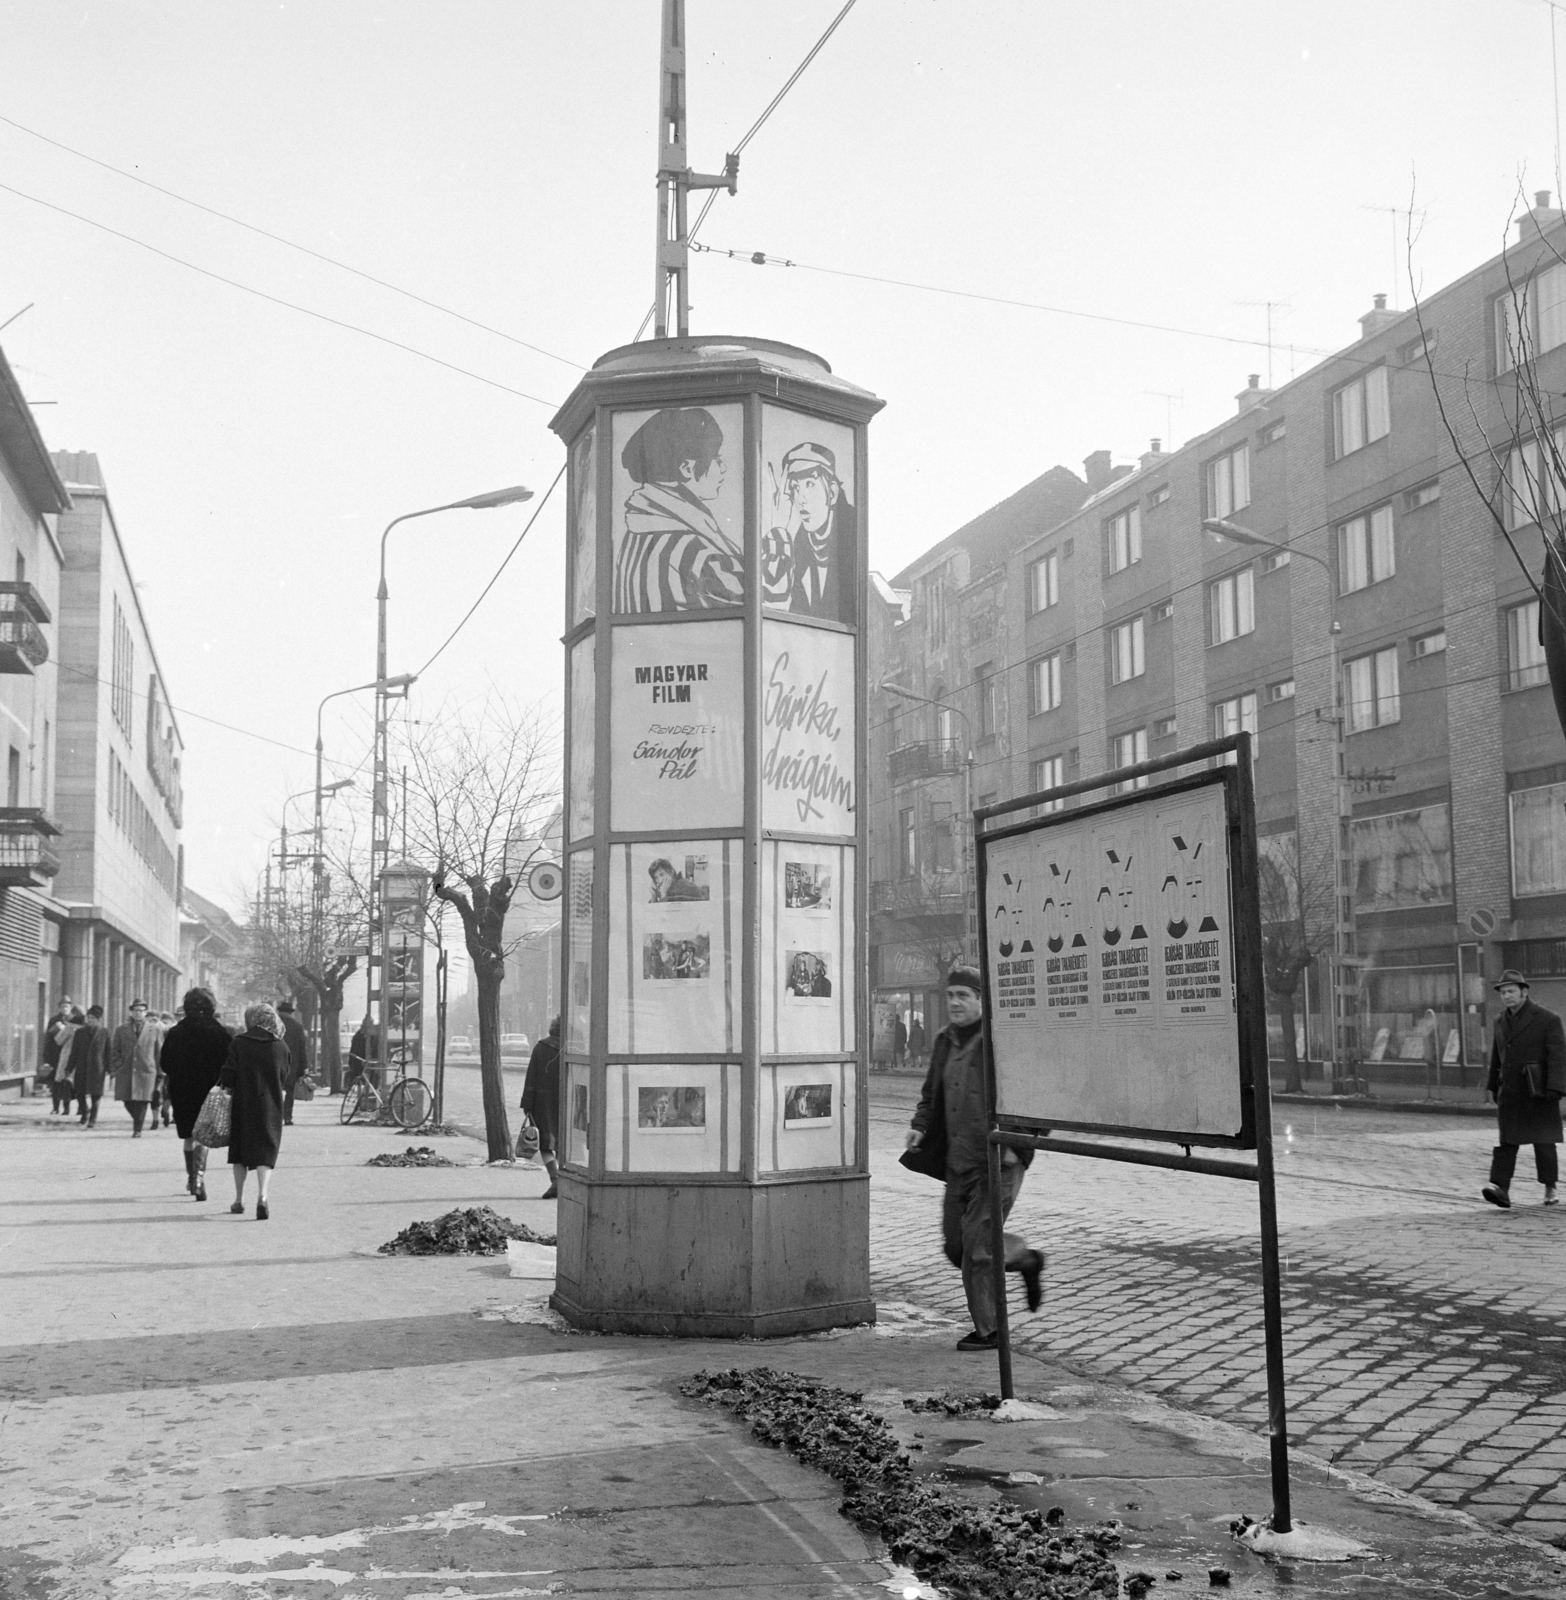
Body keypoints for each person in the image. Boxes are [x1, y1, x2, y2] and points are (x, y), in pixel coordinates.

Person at [905, 965, 1044, 1351]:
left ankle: (990, 1331)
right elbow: (931, 1095)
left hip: (997, 1163)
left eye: (963, 996)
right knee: (956, 1246)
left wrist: (1018, 1145)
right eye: (950, 996)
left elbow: (1037, 1093)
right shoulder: (943, 1041)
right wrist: (920, 1125)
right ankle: (1026, 1260)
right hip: (958, 1163)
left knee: (979, 1252)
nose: (955, 1003)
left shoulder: (1000, 1042)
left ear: (983, 1000)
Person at [613, 407, 744, 613]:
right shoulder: (692, 549)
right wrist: (780, 531)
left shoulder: (636, 538)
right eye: (715, 458)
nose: (723, 467)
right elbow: (757, 599)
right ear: (687, 469)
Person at [1483, 969, 1565, 1209]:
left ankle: (1550, 1187)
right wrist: (1492, 1085)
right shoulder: (1500, 1021)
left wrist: (1556, 1087)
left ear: (1524, 992)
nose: (1507, 996)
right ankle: (1500, 1188)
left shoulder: (1547, 1019)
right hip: (1510, 1091)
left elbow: (1558, 1057)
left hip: (1538, 1090)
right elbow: (1498, 1057)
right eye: (1503, 992)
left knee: (1544, 1142)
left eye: (1511, 991)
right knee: (1507, 1142)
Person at [763, 440, 856, 620]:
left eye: (810, 484)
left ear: (832, 492)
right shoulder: (798, 548)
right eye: (795, 488)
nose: (801, 499)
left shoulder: (852, 541)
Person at [161, 988, 231, 1201]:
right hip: (209, 1091)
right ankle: (199, 1178)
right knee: (203, 1133)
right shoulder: (220, 1032)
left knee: (189, 1134)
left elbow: (165, 1063)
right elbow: (228, 1063)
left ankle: (192, 1178)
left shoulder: (175, 1032)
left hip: (182, 1090)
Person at [220, 1002, 289, 1219]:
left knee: (240, 1152)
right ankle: (263, 1196)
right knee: (265, 1153)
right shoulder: (281, 1046)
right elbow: (284, 1076)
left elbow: (228, 1075)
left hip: (243, 1103)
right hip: (271, 1105)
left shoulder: (239, 1043)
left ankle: (239, 1200)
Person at [521, 1015, 561, 1200]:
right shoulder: (574, 1049)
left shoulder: (540, 1047)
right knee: (566, 1145)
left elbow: (531, 1078)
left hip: (543, 1103)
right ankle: (565, 1180)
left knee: (545, 1145)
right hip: (566, 1102)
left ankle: (555, 1179)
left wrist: (527, 1105)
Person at [111, 999, 163, 1136]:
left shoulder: (154, 1030)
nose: (138, 1013)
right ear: (131, 1012)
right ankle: (138, 1121)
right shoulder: (121, 1030)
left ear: (145, 1012)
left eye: (141, 1010)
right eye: (135, 1010)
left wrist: (160, 1071)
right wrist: (118, 1065)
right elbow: (115, 1050)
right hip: (126, 1070)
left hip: (147, 1070)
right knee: (127, 1100)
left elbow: (159, 1051)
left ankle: (137, 1129)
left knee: (143, 1100)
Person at [68, 1006, 108, 1127]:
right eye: (88, 1017)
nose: (90, 1020)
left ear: (99, 1019)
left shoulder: (104, 1032)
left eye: (93, 1018)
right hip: (82, 1067)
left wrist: (110, 1069)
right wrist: (69, 1068)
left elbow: (108, 1052)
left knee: (96, 1095)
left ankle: (93, 1119)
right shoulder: (79, 1033)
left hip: (97, 1068)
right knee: (79, 1093)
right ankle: (85, 1112)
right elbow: (74, 1052)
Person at [277, 998, 310, 1126]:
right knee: (290, 1091)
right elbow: (302, 1048)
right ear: (290, 1013)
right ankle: (288, 1117)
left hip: (274, 1063)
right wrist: (304, 1067)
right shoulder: (297, 1027)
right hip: (292, 1064)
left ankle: (275, 1116)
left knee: (275, 1090)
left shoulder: (272, 1026)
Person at [43, 1006, 81, 1116]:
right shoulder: (84, 1028)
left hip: (66, 1058)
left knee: (61, 1083)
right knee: (76, 1084)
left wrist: (60, 1028)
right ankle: (80, 1108)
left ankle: (62, 1109)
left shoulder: (70, 1027)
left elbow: (59, 1040)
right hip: (79, 1060)